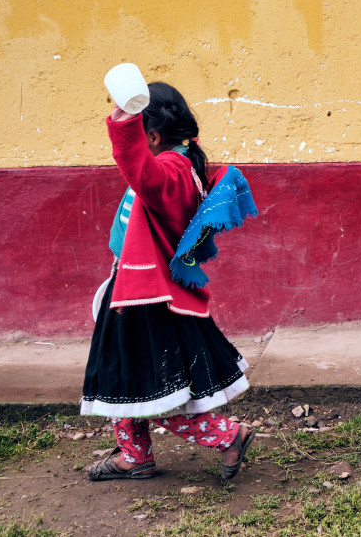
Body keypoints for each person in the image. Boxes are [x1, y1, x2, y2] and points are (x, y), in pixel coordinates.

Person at [82, 81, 258, 481]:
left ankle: (228, 436)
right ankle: (134, 454)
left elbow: (142, 173)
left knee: (150, 392)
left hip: (146, 302)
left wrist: (123, 120)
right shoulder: (180, 165)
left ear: (153, 135)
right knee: (122, 379)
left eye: (138, 130)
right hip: (134, 291)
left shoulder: (172, 172)